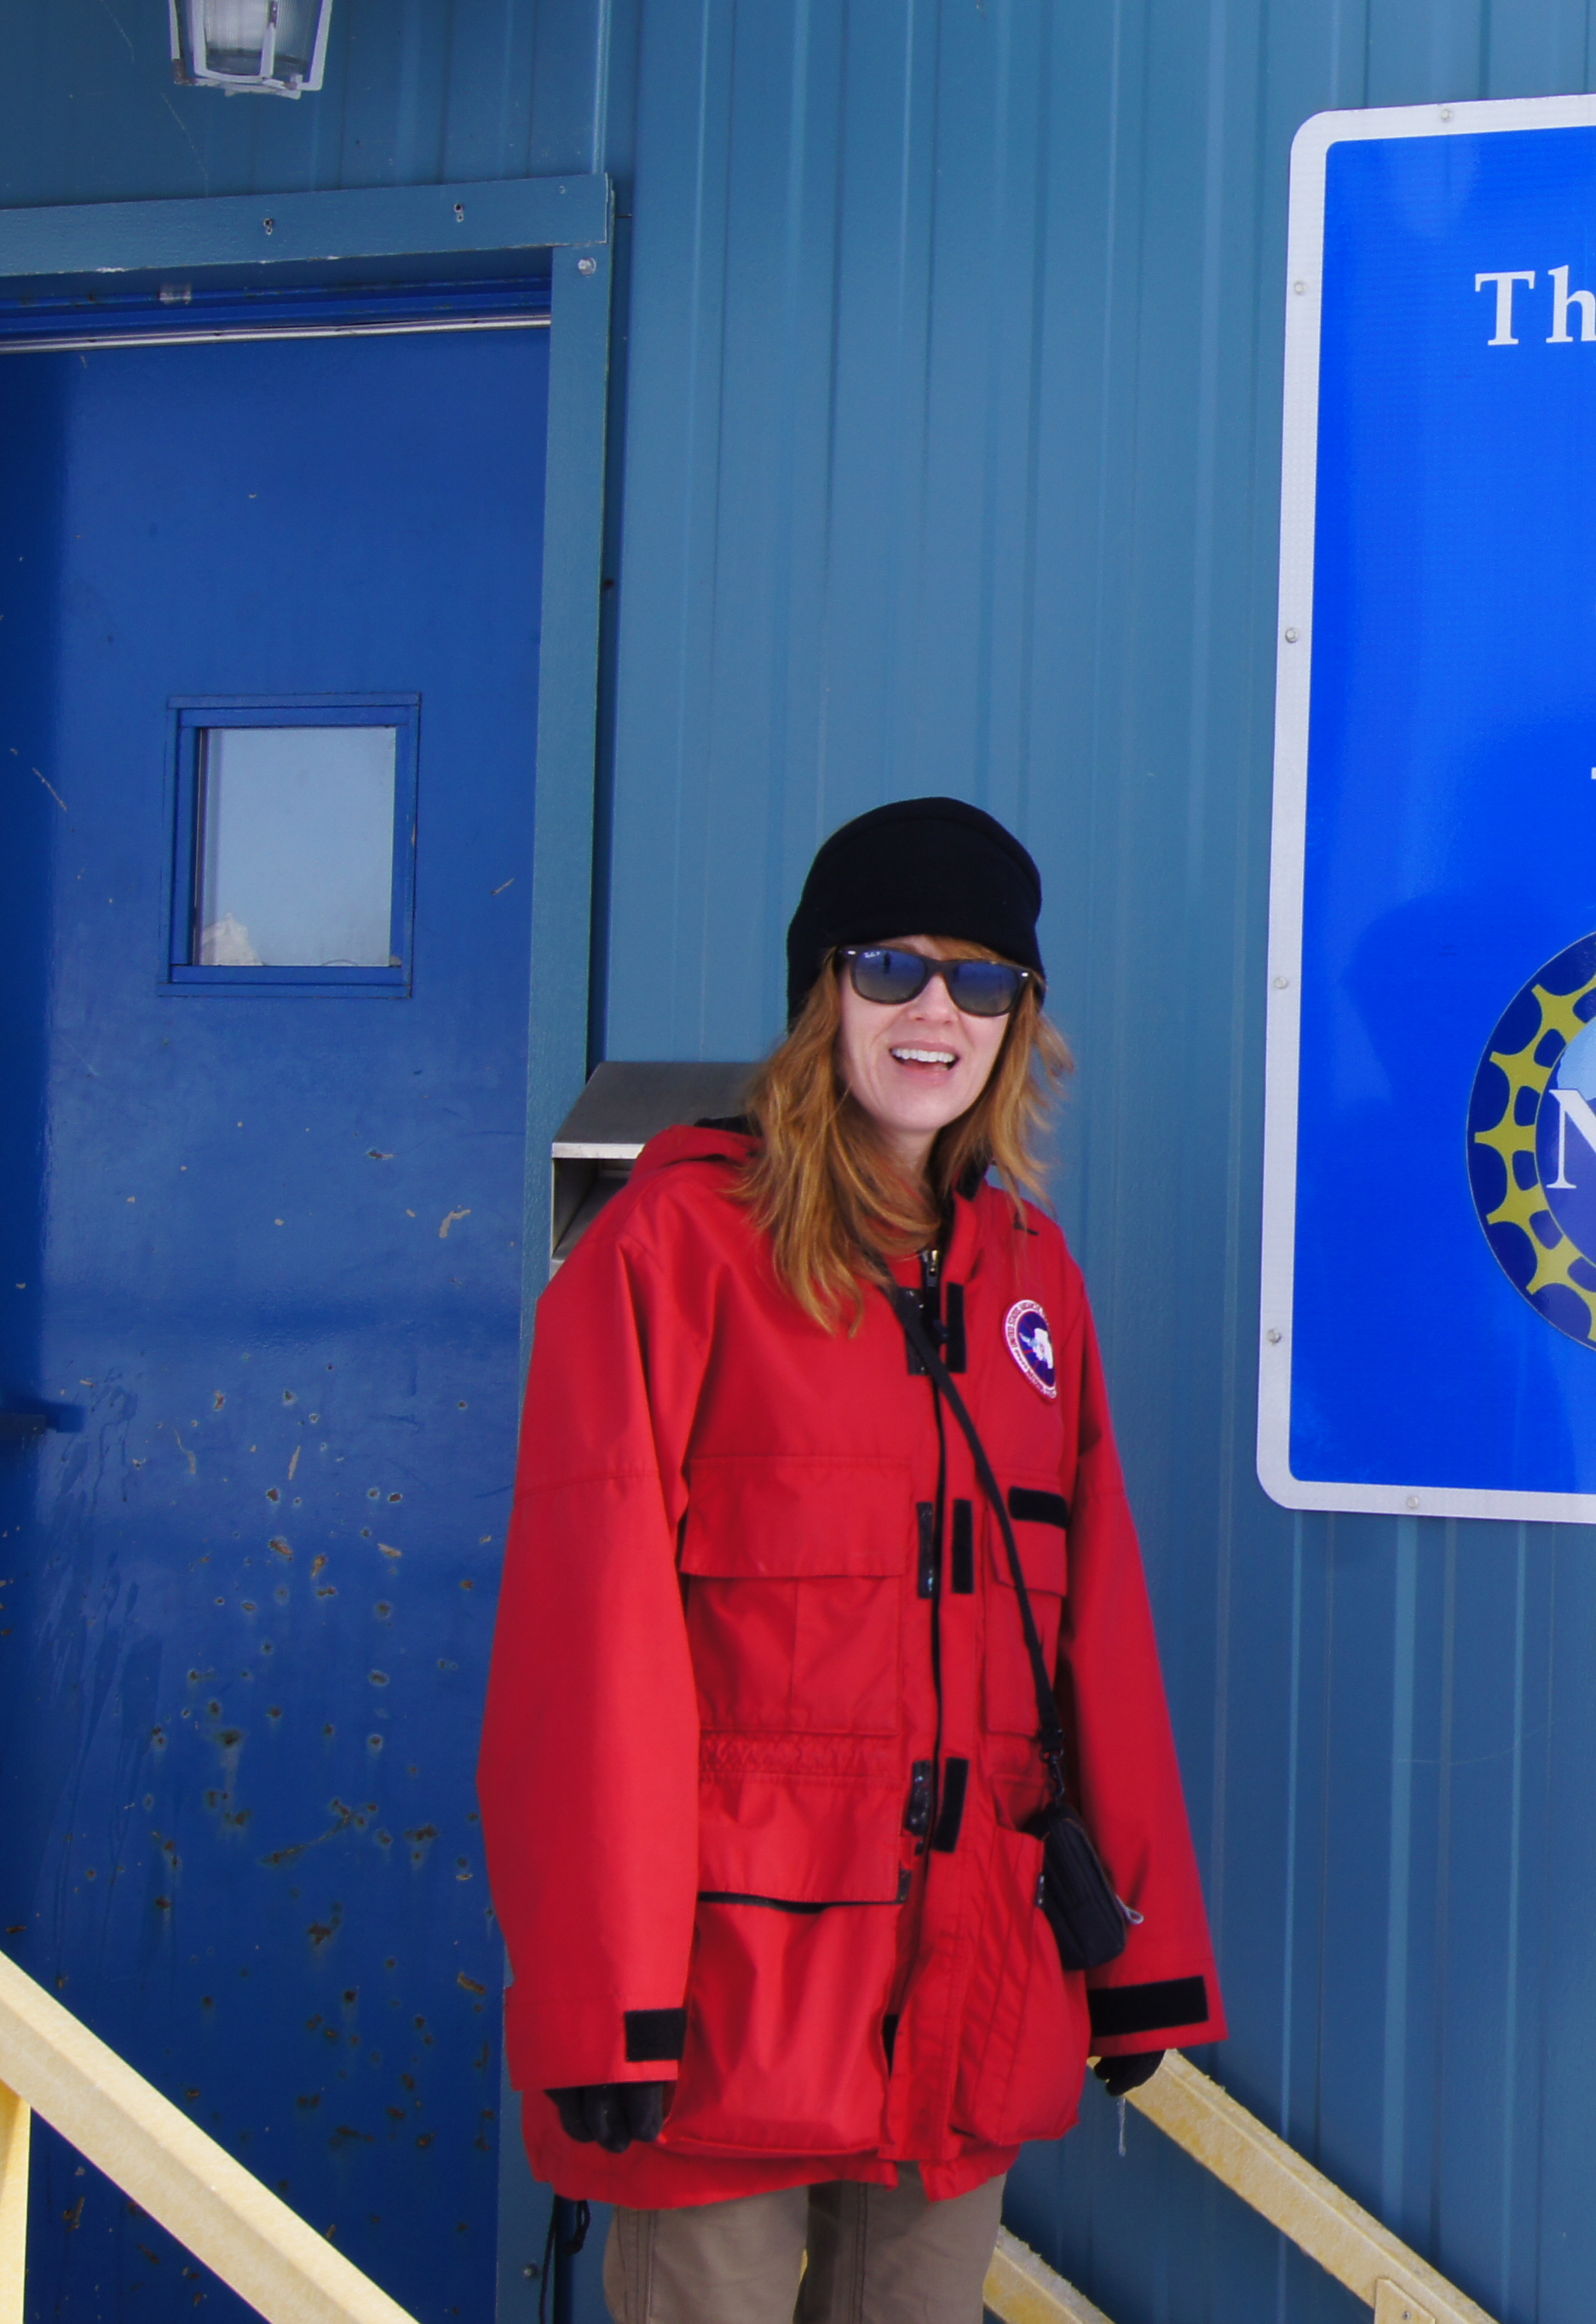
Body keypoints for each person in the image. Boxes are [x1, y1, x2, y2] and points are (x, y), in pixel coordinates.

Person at [480, 799, 1224, 2324]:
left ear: (1024, 1020)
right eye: (891, 967)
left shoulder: (1033, 1277)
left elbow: (1101, 1636)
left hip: (965, 1991)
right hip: (721, 2006)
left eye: (982, 979)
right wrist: (603, 1997)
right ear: (823, 992)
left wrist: (1147, 1949)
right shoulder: (673, 1246)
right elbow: (586, 1650)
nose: (934, 1011)